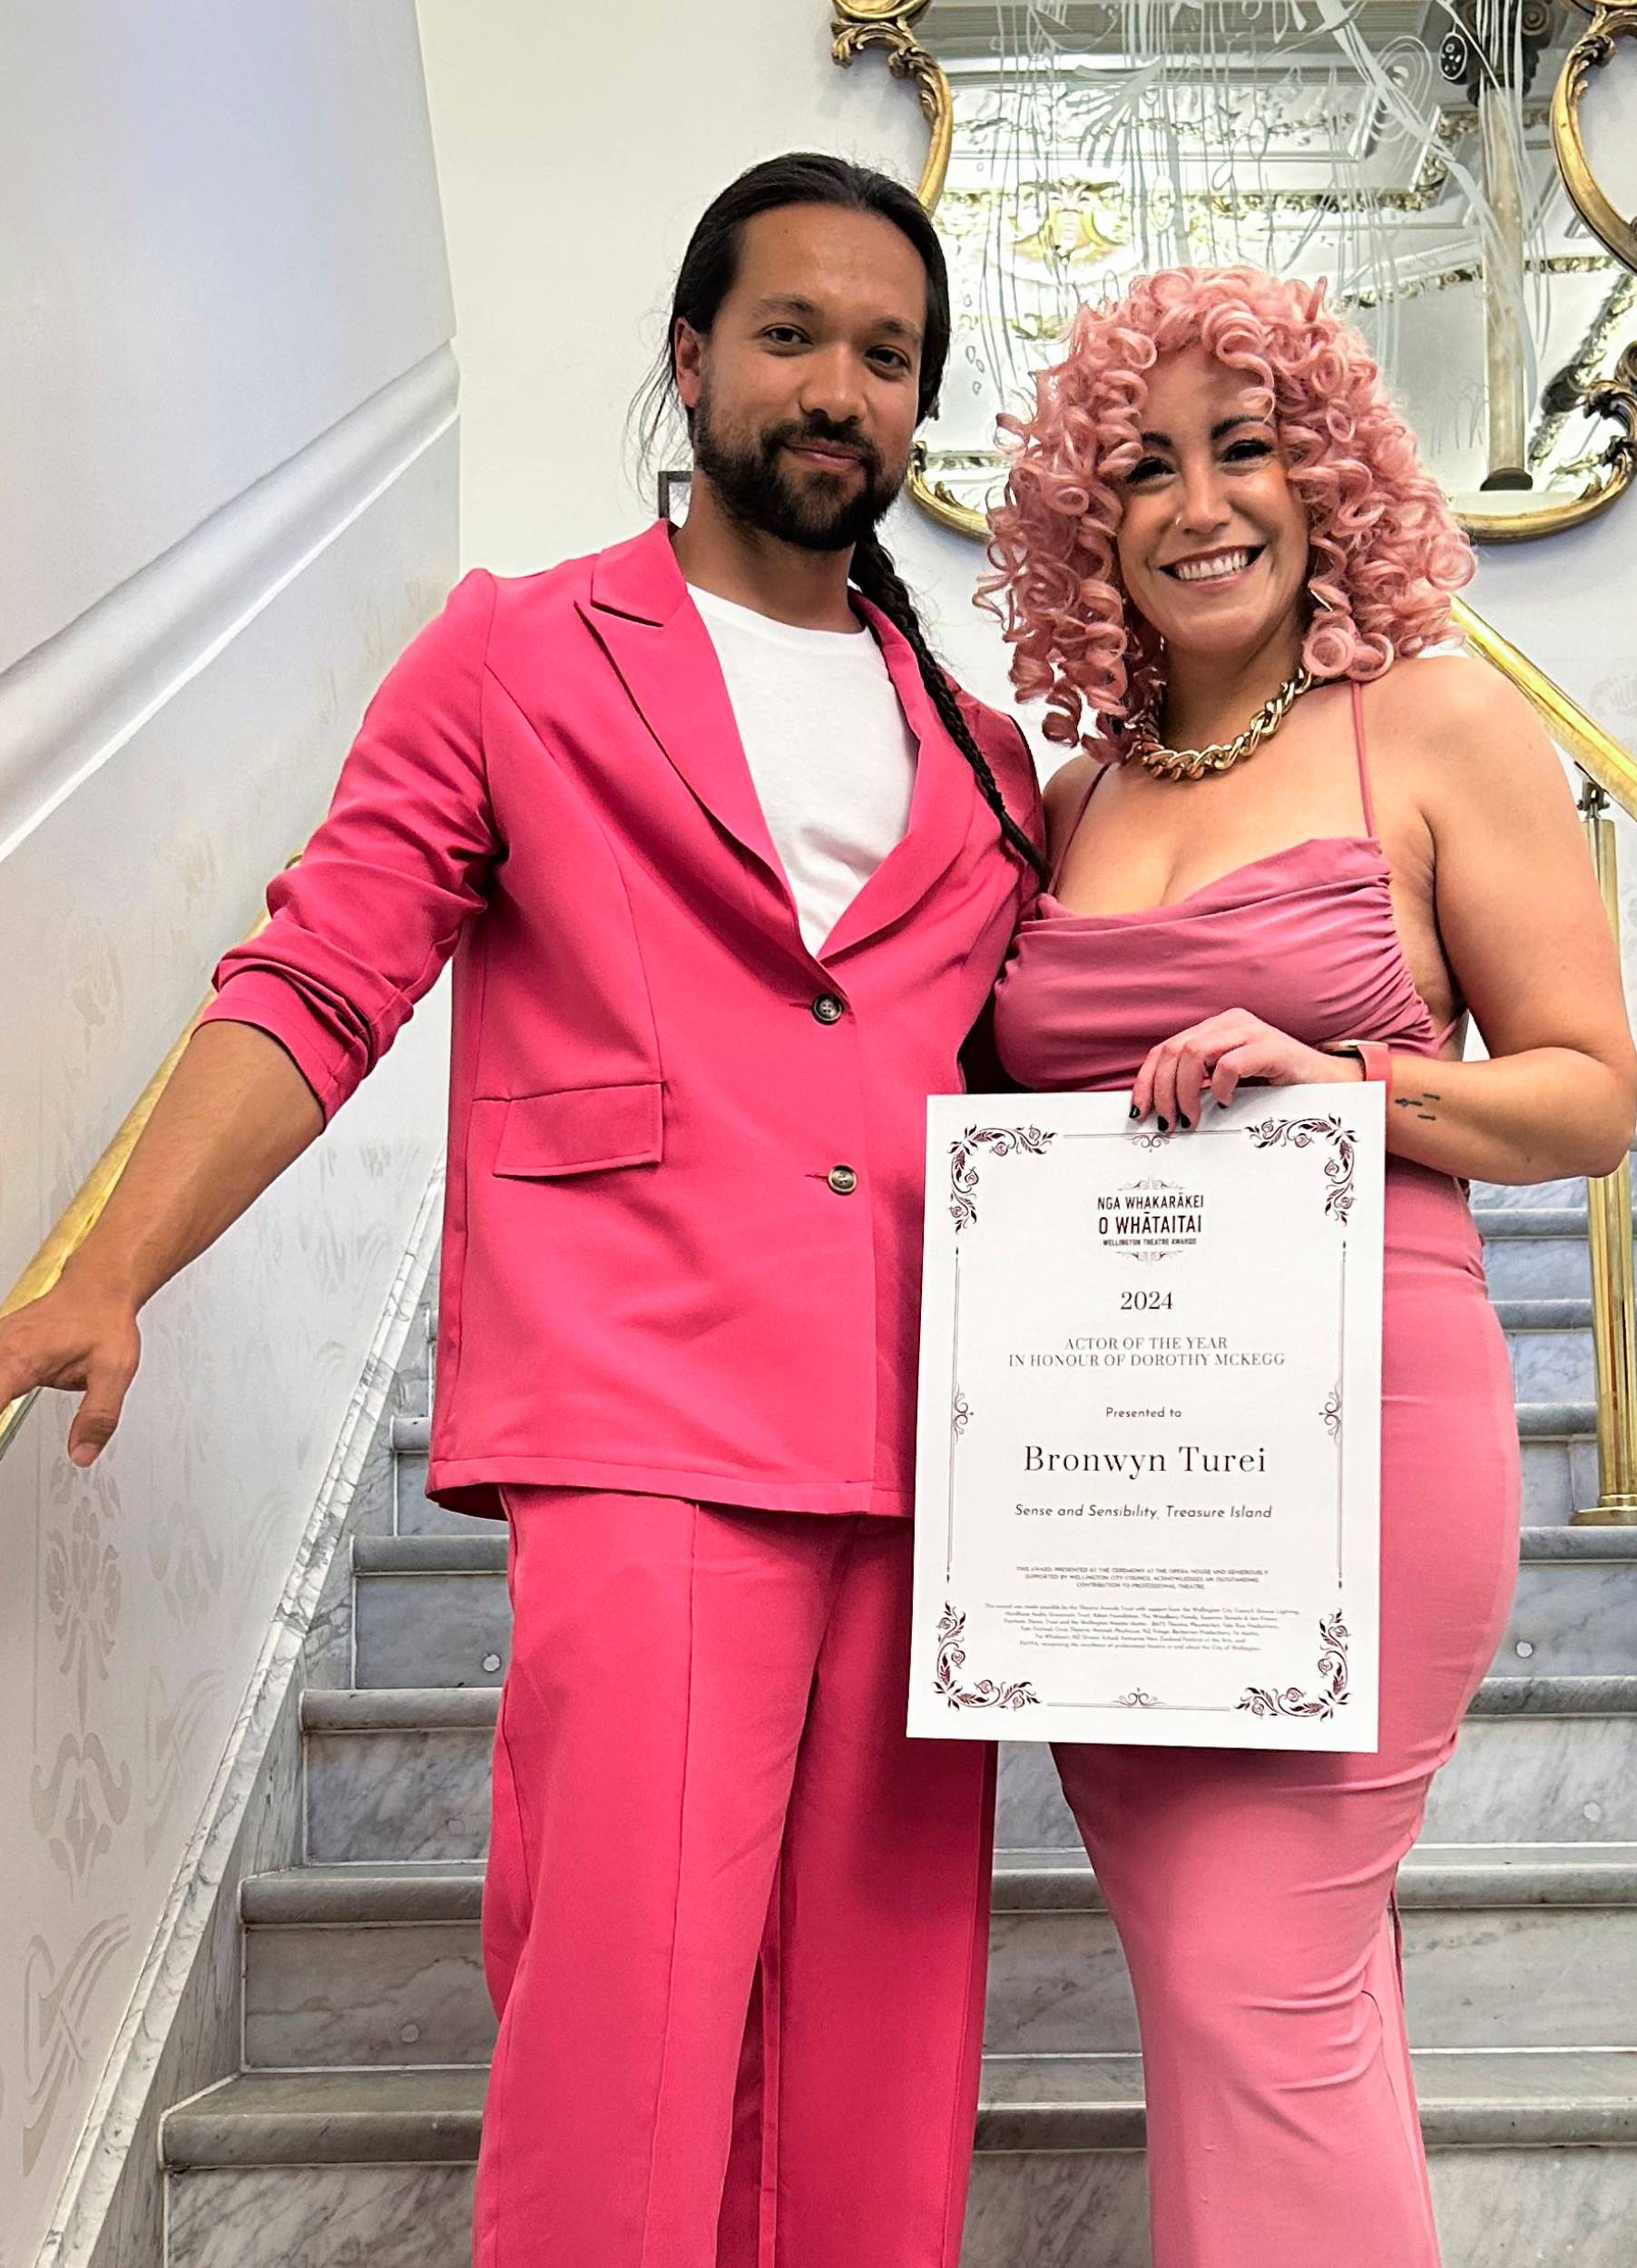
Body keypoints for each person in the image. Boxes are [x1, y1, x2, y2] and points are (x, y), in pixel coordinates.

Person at [0, 155, 1043, 2268]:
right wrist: (113, 1264)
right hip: (644, 1416)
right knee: (621, 2047)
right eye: (792, 334)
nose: (839, 386)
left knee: (881, 2062)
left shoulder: (991, 752)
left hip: (926, 1451)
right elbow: (324, 969)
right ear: (691, 359)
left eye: (888, 354)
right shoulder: (515, 651)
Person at [979, 267, 1637, 2267]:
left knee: (1248, 1982)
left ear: (1328, 472)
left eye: (1245, 448)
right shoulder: (1069, 798)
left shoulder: (1434, 722)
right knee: (1267, 1998)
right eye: (1142, 466)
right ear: (1084, 522)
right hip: (1104, 1478)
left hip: (1363, 1433)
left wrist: (1351, 1082)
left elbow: (1589, 1096)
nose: (1200, 503)